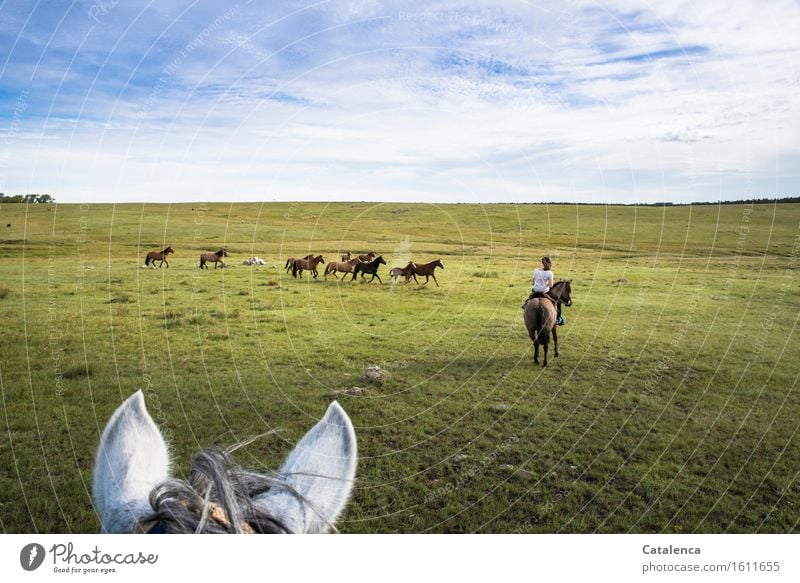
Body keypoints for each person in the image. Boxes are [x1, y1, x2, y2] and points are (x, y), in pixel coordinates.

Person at [522, 256, 564, 325]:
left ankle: (525, 306)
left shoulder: (536, 270)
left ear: (542, 263)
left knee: (527, 301)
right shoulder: (550, 273)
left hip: (535, 291)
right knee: (557, 302)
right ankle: (558, 318)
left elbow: (533, 282)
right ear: (550, 264)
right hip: (544, 292)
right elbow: (550, 285)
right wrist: (546, 283)